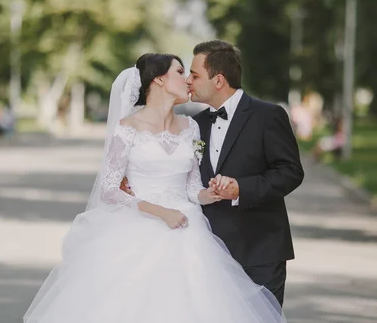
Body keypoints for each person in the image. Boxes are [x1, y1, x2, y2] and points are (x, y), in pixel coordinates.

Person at [6, 53, 307, 323]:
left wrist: (214, 192)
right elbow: (110, 190)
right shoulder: (127, 127)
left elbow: (192, 189)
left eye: (191, 73)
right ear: (160, 79)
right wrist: (158, 211)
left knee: (198, 319)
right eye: (181, 72)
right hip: (141, 231)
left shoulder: (191, 127)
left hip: (190, 233)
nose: (187, 80)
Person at [124, 41, 304, 306]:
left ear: (218, 80)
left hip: (259, 250)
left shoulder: (268, 116)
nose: (188, 81)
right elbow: (183, 178)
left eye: (195, 75)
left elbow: (290, 172)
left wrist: (241, 188)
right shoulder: (192, 126)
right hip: (208, 249)